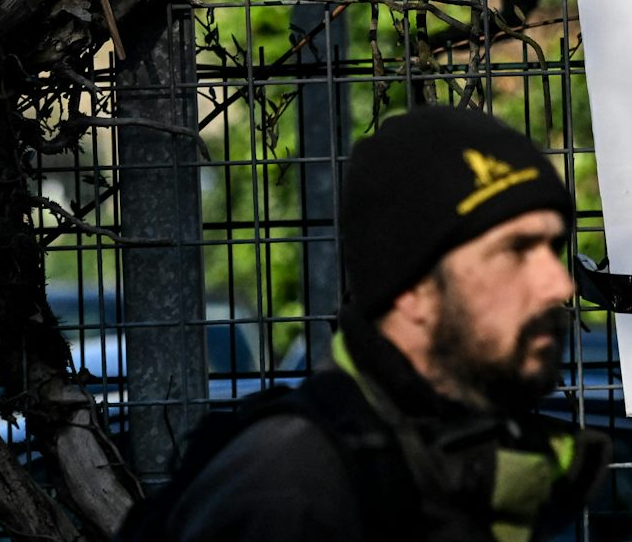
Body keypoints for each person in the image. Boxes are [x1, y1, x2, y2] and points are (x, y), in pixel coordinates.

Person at [125, 104, 606, 541]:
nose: (559, 284)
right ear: (413, 290)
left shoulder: (460, 458)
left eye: (554, 248)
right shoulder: (293, 487)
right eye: (516, 250)